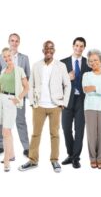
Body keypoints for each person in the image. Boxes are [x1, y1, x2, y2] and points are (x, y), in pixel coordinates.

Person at [18, 41, 71, 173]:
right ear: (43, 50)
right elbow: (31, 85)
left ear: (54, 50)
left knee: (54, 134)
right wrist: (32, 103)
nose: (48, 50)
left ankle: (54, 160)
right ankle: (32, 160)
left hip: (55, 106)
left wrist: (63, 103)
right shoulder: (36, 65)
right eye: (46, 48)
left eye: (51, 48)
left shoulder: (61, 66)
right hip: (39, 106)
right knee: (36, 134)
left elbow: (67, 85)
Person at [61, 37, 90, 168]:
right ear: (73, 46)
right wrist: (67, 77)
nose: (78, 48)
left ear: (84, 48)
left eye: (81, 46)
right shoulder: (63, 63)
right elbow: (56, 83)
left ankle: (76, 158)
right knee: (66, 129)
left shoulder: (88, 63)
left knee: (79, 130)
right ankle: (70, 154)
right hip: (67, 100)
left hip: (82, 100)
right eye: (77, 45)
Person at [0, 33, 30, 156]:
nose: (14, 43)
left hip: (19, 96)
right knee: (2, 121)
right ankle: (1, 145)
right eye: (12, 40)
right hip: (4, 95)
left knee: (21, 121)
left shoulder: (24, 58)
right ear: (9, 42)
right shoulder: (1, 57)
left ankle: (27, 147)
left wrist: (23, 95)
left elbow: (28, 76)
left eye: (16, 41)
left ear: (19, 42)